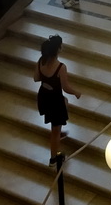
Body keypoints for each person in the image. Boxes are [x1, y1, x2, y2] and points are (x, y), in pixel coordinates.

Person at [33, 34, 81, 165]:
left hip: (43, 95)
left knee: (64, 103)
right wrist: (76, 92)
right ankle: (54, 158)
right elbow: (65, 87)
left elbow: (36, 78)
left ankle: (58, 130)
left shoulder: (40, 61)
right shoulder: (61, 67)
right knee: (55, 129)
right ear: (59, 49)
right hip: (55, 99)